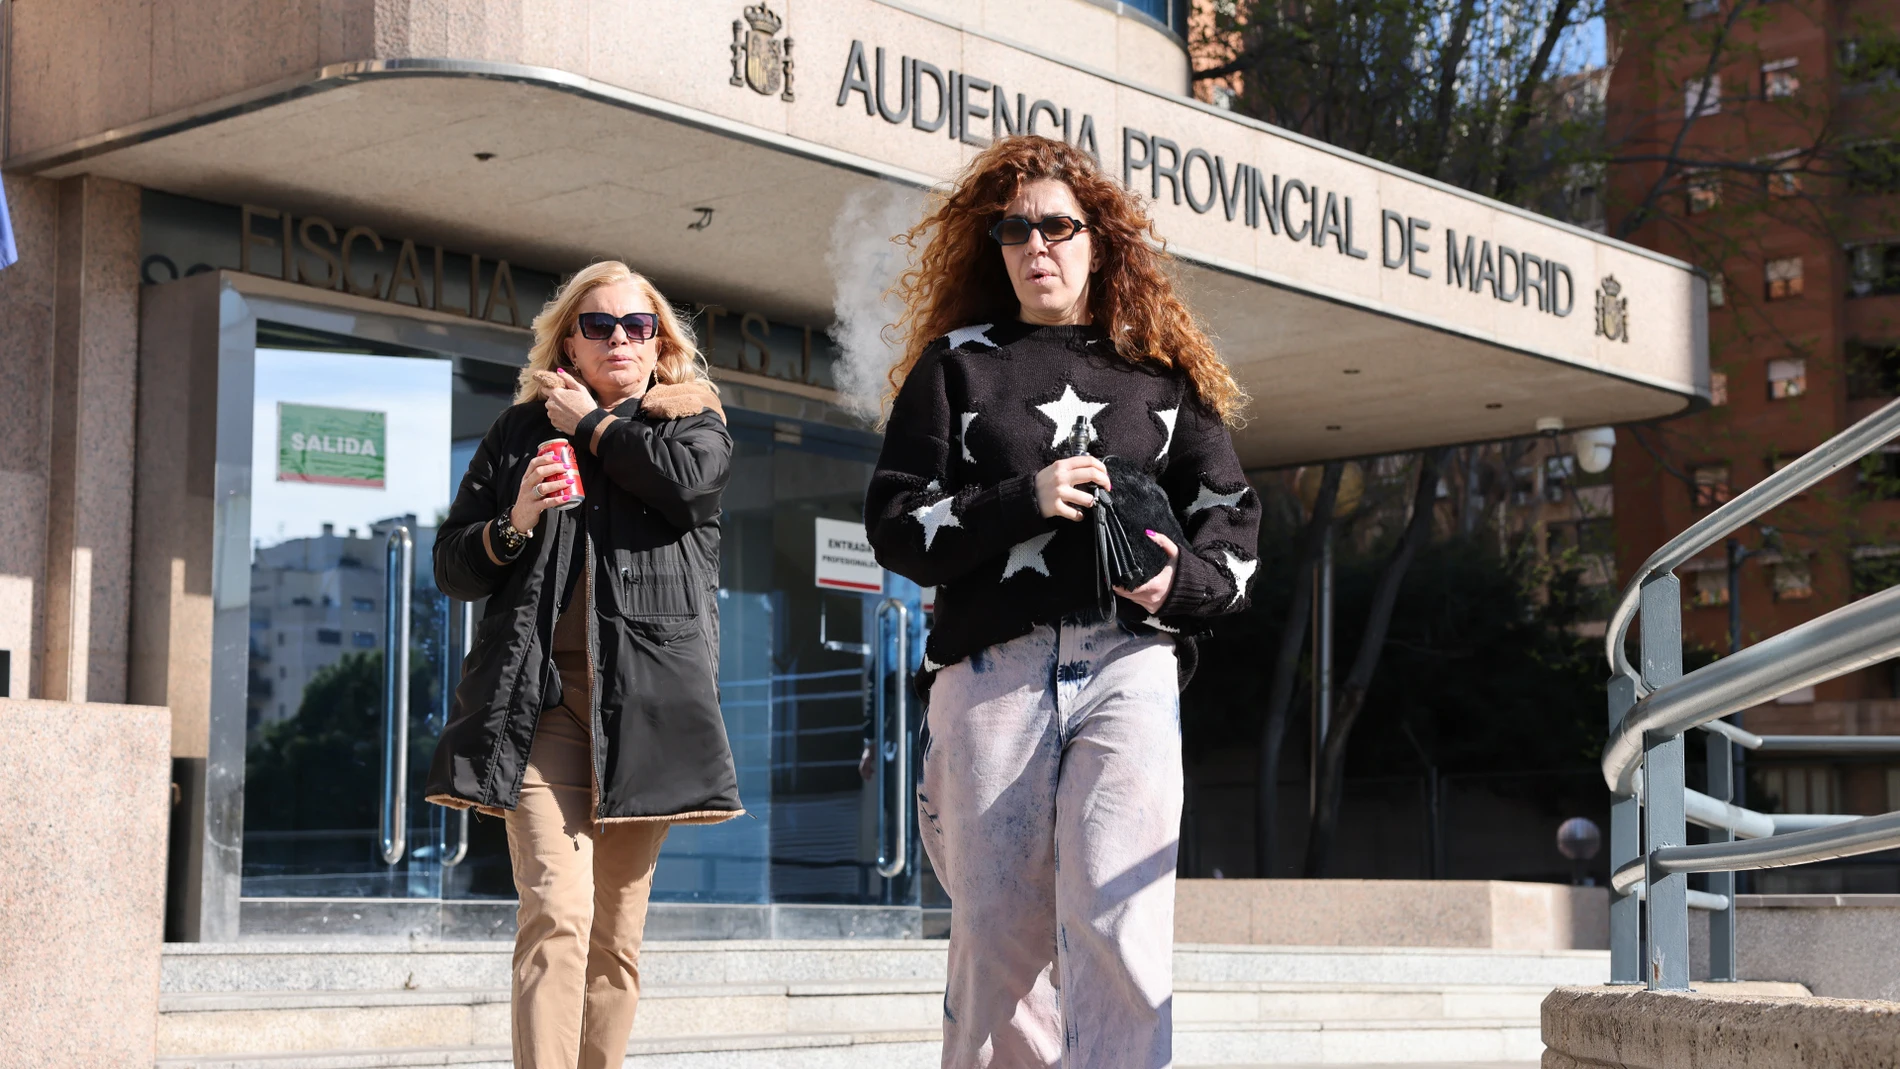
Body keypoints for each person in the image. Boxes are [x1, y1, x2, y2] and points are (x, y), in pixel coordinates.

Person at [865, 135, 1260, 1068]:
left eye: (1057, 225)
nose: (1036, 244)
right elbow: (894, 523)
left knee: (1120, 918)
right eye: (1015, 229)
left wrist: (1179, 584)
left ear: (1100, 240)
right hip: (991, 669)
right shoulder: (955, 367)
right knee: (997, 931)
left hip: (1128, 663)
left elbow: (1233, 520)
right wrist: (1024, 497)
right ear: (994, 245)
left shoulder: (1161, 374)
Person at [425, 261, 739, 1069]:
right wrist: (517, 517)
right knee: (556, 911)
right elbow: (453, 564)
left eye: (639, 326)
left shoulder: (692, 423)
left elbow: (690, 487)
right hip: (543, 708)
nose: (621, 340)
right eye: (599, 325)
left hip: (648, 713)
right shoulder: (519, 433)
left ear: (659, 341)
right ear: (570, 338)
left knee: (616, 933)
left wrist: (594, 427)